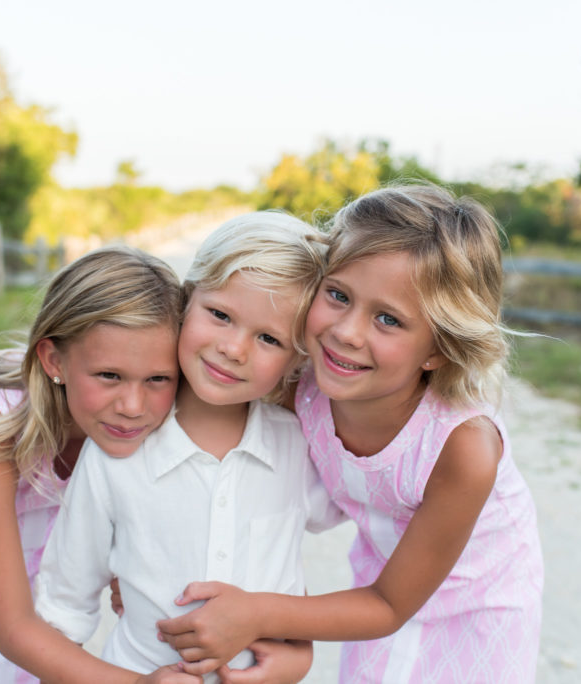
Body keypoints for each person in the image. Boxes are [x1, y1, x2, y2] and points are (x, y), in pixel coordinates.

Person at [157, 184, 545, 683]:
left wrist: (257, 614)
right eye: (338, 295)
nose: (347, 332)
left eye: (388, 319)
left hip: (478, 610)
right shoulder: (305, 383)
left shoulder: (463, 447)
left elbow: (389, 606)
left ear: (438, 350)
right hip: (379, 578)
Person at [34, 212, 347, 684]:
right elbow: (61, 613)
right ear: (186, 300)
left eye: (268, 338)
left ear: (297, 357)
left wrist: (299, 654)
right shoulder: (114, 455)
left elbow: (284, 571)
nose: (234, 349)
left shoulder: (297, 446)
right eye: (220, 315)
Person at [0, 246, 200, 683]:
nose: (133, 406)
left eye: (158, 379)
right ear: (54, 360)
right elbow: (13, 628)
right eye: (109, 376)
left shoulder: (158, 419)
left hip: (53, 583)